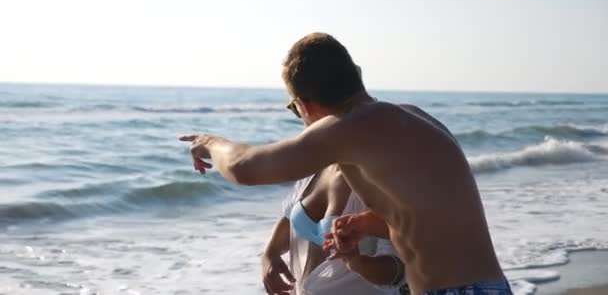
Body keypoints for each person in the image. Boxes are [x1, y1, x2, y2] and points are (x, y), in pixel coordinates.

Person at [180, 33, 512, 295]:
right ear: (355, 77)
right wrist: (369, 224)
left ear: (305, 104)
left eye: (296, 111)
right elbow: (435, 218)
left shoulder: (352, 126)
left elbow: (244, 167)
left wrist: (208, 142)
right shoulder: (410, 119)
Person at [262, 164, 407, 295]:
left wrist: (358, 263)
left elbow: (398, 270)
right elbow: (289, 217)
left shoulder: (384, 180)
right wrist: (269, 255)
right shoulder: (317, 167)